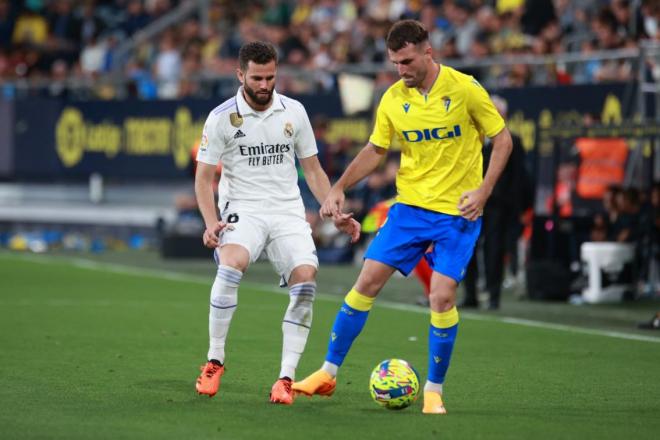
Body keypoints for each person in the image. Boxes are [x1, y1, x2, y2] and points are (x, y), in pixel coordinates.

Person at [292, 20, 512, 414]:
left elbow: (503, 139)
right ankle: (327, 372)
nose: (401, 70)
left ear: (428, 52)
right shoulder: (394, 98)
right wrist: (340, 185)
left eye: (407, 61)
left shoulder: (464, 89)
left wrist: (483, 191)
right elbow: (376, 149)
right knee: (366, 282)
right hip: (409, 208)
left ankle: (433, 389)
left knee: (441, 296)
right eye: (395, 62)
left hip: (455, 213)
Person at [194, 41, 360, 405]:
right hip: (243, 208)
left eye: (270, 77)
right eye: (257, 78)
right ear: (240, 75)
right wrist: (210, 223)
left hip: (287, 210)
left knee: (306, 279)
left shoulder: (294, 112)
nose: (265, 85)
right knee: (231, 263)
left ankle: (285, 378)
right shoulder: (221, 117)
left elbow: (313, 170)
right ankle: (215, 360)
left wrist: (332, 206)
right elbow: (203, 178)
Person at [462, 95, 525, 310]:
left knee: (494, 251)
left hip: (499, 205)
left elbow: (517, 177)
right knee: (467, 248)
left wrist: (514, 207)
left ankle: (493, 296)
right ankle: (470, 295)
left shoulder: (513, 141)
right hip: (471, 202)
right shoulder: (471, 139)